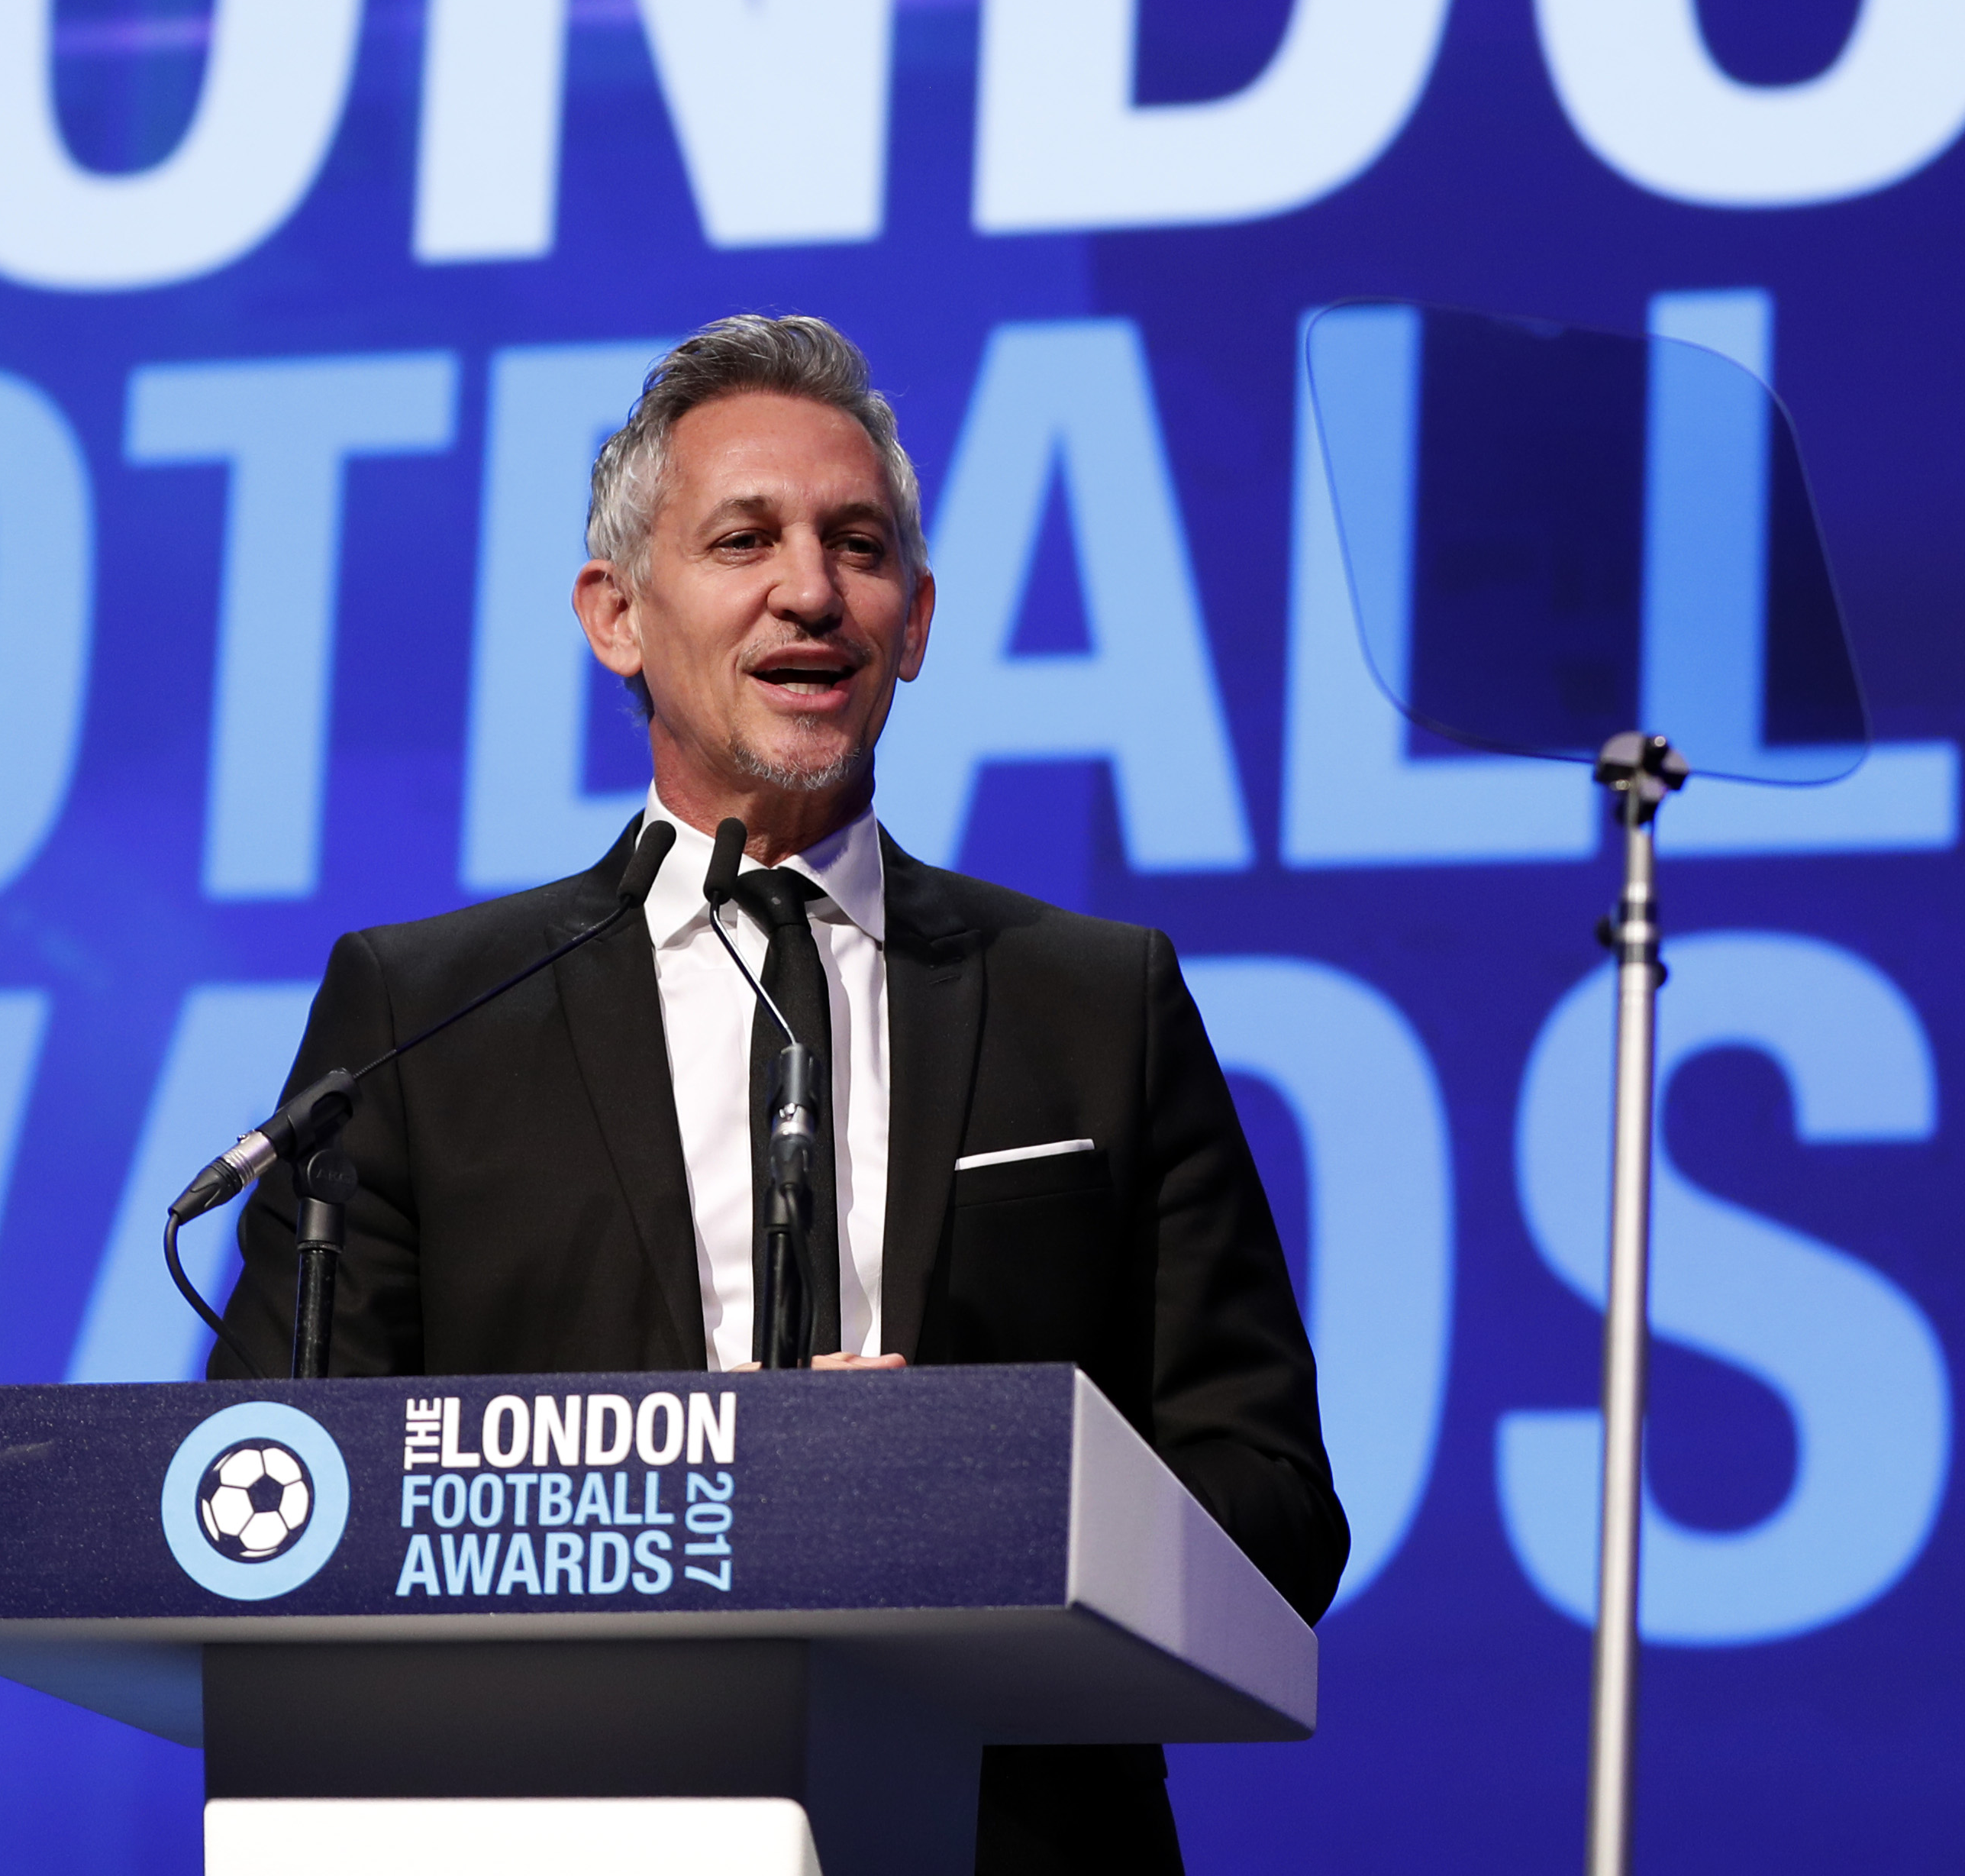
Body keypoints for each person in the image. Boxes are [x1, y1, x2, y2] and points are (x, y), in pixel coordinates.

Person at [217, 314, 1343, 1874]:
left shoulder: (1097, 999)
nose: (812, 589)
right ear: (615, 614)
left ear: (919, 619)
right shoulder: (425, 1016)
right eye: (745, 537)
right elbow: (271, 1484)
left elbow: (1276, 1505)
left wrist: (987, 1480)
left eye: (859, 545)